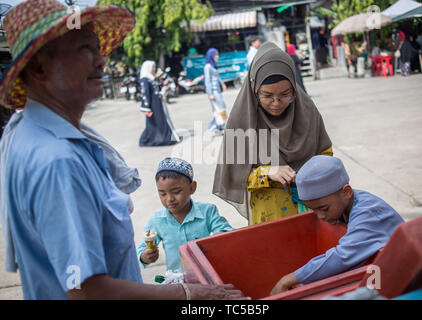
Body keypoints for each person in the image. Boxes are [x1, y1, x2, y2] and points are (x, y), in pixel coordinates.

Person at [0, 0, 245, 300]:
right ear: (39, 67)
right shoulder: (57, 160)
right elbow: (85, 291)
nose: (101, 61)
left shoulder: (35, 134)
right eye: (84, 49)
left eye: (97, 48)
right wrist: (189, 294)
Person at [213, 42, 333, 225]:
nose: (276, 103)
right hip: (269, 218)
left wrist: (309, 172)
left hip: (311, 212)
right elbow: (231, 178)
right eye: (267, 96)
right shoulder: (241, 123)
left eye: (286, 94)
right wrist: (266, 172)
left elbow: (326, 157)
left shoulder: (307, 112)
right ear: (254, 90)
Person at [270, 156, 404, 295]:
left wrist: (287, 280)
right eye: (313, 210)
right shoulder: (347, 204)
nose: (320, 216)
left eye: (324, 209)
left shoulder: (368, 213)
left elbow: (341, 257)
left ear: (346, 192)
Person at [137, 157, 233, 272]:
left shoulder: (207, 211)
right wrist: (145, 256)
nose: (169, 199)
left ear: (192, 188)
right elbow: (141, 249)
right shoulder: (156, 221)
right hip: (177, 279)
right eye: (163, 194)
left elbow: (227, 231)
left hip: (206, 273)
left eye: (176, 192)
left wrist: (220, 237)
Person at [139, 60, 181, 146]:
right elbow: (145, 94)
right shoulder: (145, 79)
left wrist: (159, 80)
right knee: (155, 122)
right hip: (152, 105)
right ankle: (157, 139)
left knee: (161, 121)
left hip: (157, 103)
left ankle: (167, 137)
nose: (154, 69)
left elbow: (157, 90)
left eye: (154, 67)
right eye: (153, 67)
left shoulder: (151, 78)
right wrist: (145, 108)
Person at [204, 48, 227, 134]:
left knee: (219, 108)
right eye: (216, 55)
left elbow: (217, 77)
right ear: (211, 56)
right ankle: (217, 126)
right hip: (213, 91)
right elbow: (207, 81)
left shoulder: (213, 65)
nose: (217, 56)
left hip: (218, 90)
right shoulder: (208, 67)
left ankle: (219, 126)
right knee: (220, 107)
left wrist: (222, 84)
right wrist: (210, 94)